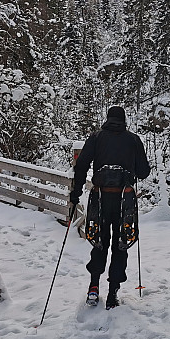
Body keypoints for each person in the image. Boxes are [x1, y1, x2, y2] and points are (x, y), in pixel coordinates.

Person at [70, 105, 150, 309]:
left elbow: (81, 166)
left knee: (99, 240)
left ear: (108, 119)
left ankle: (93, 286)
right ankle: (113, 291)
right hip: (125, 200)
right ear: (124, 120)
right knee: (121, 243)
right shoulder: (133, 140)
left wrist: (76, 193)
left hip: (100, 198)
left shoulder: (96, 138)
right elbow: (143, 172)